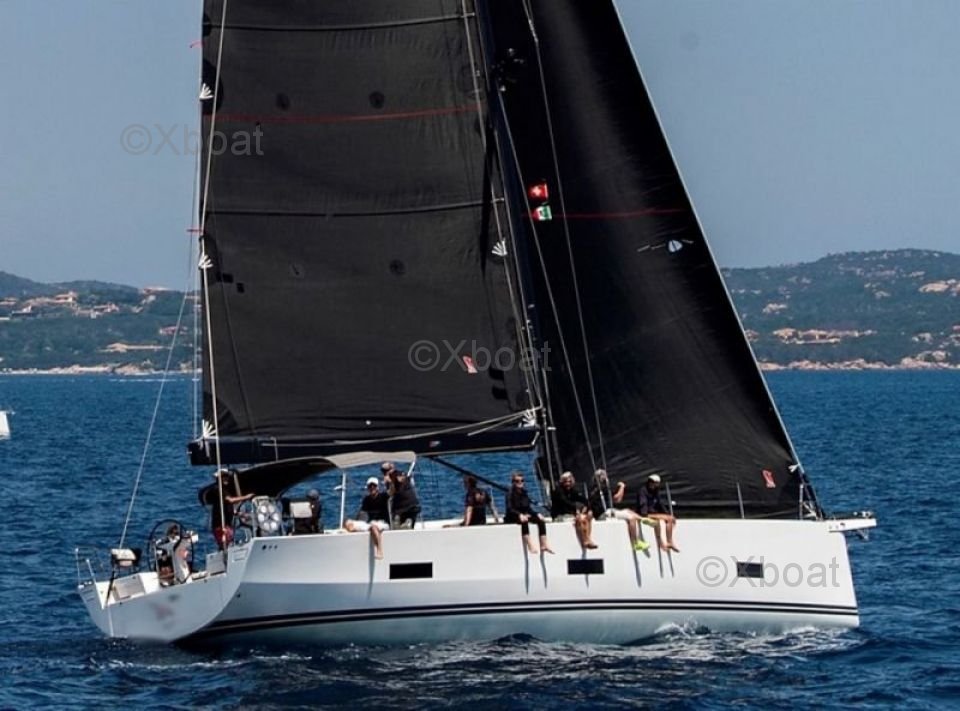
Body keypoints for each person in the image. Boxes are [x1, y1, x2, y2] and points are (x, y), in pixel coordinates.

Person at [591, 469, 649, 552]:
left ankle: (643, 519)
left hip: (602, 513)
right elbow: (617, 499)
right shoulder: (603, 489)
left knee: (627, 510)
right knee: (631, 518)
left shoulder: (594, 489)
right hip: (604, 514)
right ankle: (635, 543)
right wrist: (622, 487)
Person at [504, 470, 553, 554]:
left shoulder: (524, 493)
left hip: (524, 514)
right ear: (513, 482)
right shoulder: (510, 493)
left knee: (540, 521)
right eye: (517, 481)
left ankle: (544, 544)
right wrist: (519, 514)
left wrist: (537, 514)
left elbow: (528, 508)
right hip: (513, 515)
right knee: (524, 521)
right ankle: (530, 545)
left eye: (522, 481)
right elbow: (510, 508)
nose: (520, 482)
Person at [344, 477, 390, 559]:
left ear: (377, 487)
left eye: (374, 486)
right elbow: (362, 513)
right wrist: (355, 522)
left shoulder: (383, 496)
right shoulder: (366, 499)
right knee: (348, 523)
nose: (372, 488)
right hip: (371, 522)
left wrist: (389, 481)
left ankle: (379, 551)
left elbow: (392, 492)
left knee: (373, 527)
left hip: (383, 522)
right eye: (370, 486)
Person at [206, 469, 253, 550]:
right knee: (225, 544)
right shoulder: (218, 490)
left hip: (226, 524)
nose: (226, 479)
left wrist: (239, 514)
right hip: (220, 525)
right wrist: (246, 497)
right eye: (224, 477)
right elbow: (230, 500)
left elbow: (226, 506)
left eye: (227, 477)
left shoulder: (224, 491)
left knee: (227, 544)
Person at [551, 471, 598, 549]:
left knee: (588, 517)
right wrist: (576, 509)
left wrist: (588, 508)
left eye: (570, 482)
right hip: (559, 515)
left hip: (570, 513)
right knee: (580, 519)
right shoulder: (558, 491)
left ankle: (588, 539)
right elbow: (565, 502)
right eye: (565, 482)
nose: (568, 484)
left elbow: (583, 499)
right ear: (562, 482)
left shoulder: (572, 490)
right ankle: (585, 540)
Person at [637, 473, 679, 552]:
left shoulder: (655, 491)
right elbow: (643, 504)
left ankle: (669, 541)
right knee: (662, 520)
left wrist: (666, 513)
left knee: (671, 519)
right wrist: (644, 515)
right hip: (645, 513)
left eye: (657, 484)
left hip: (653, 512)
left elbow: (660, 503)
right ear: (650, 482)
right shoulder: (643, 491)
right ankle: (662, 543)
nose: (655, 485)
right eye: (654, 483)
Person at [384, 461, 421, 528]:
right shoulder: (401, 474)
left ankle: (405, 523)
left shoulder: (394, 476)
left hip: (404, 507)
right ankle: (406, 523)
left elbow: (391, 492)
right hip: (409, 504)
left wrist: (390, 482)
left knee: (397, 524)